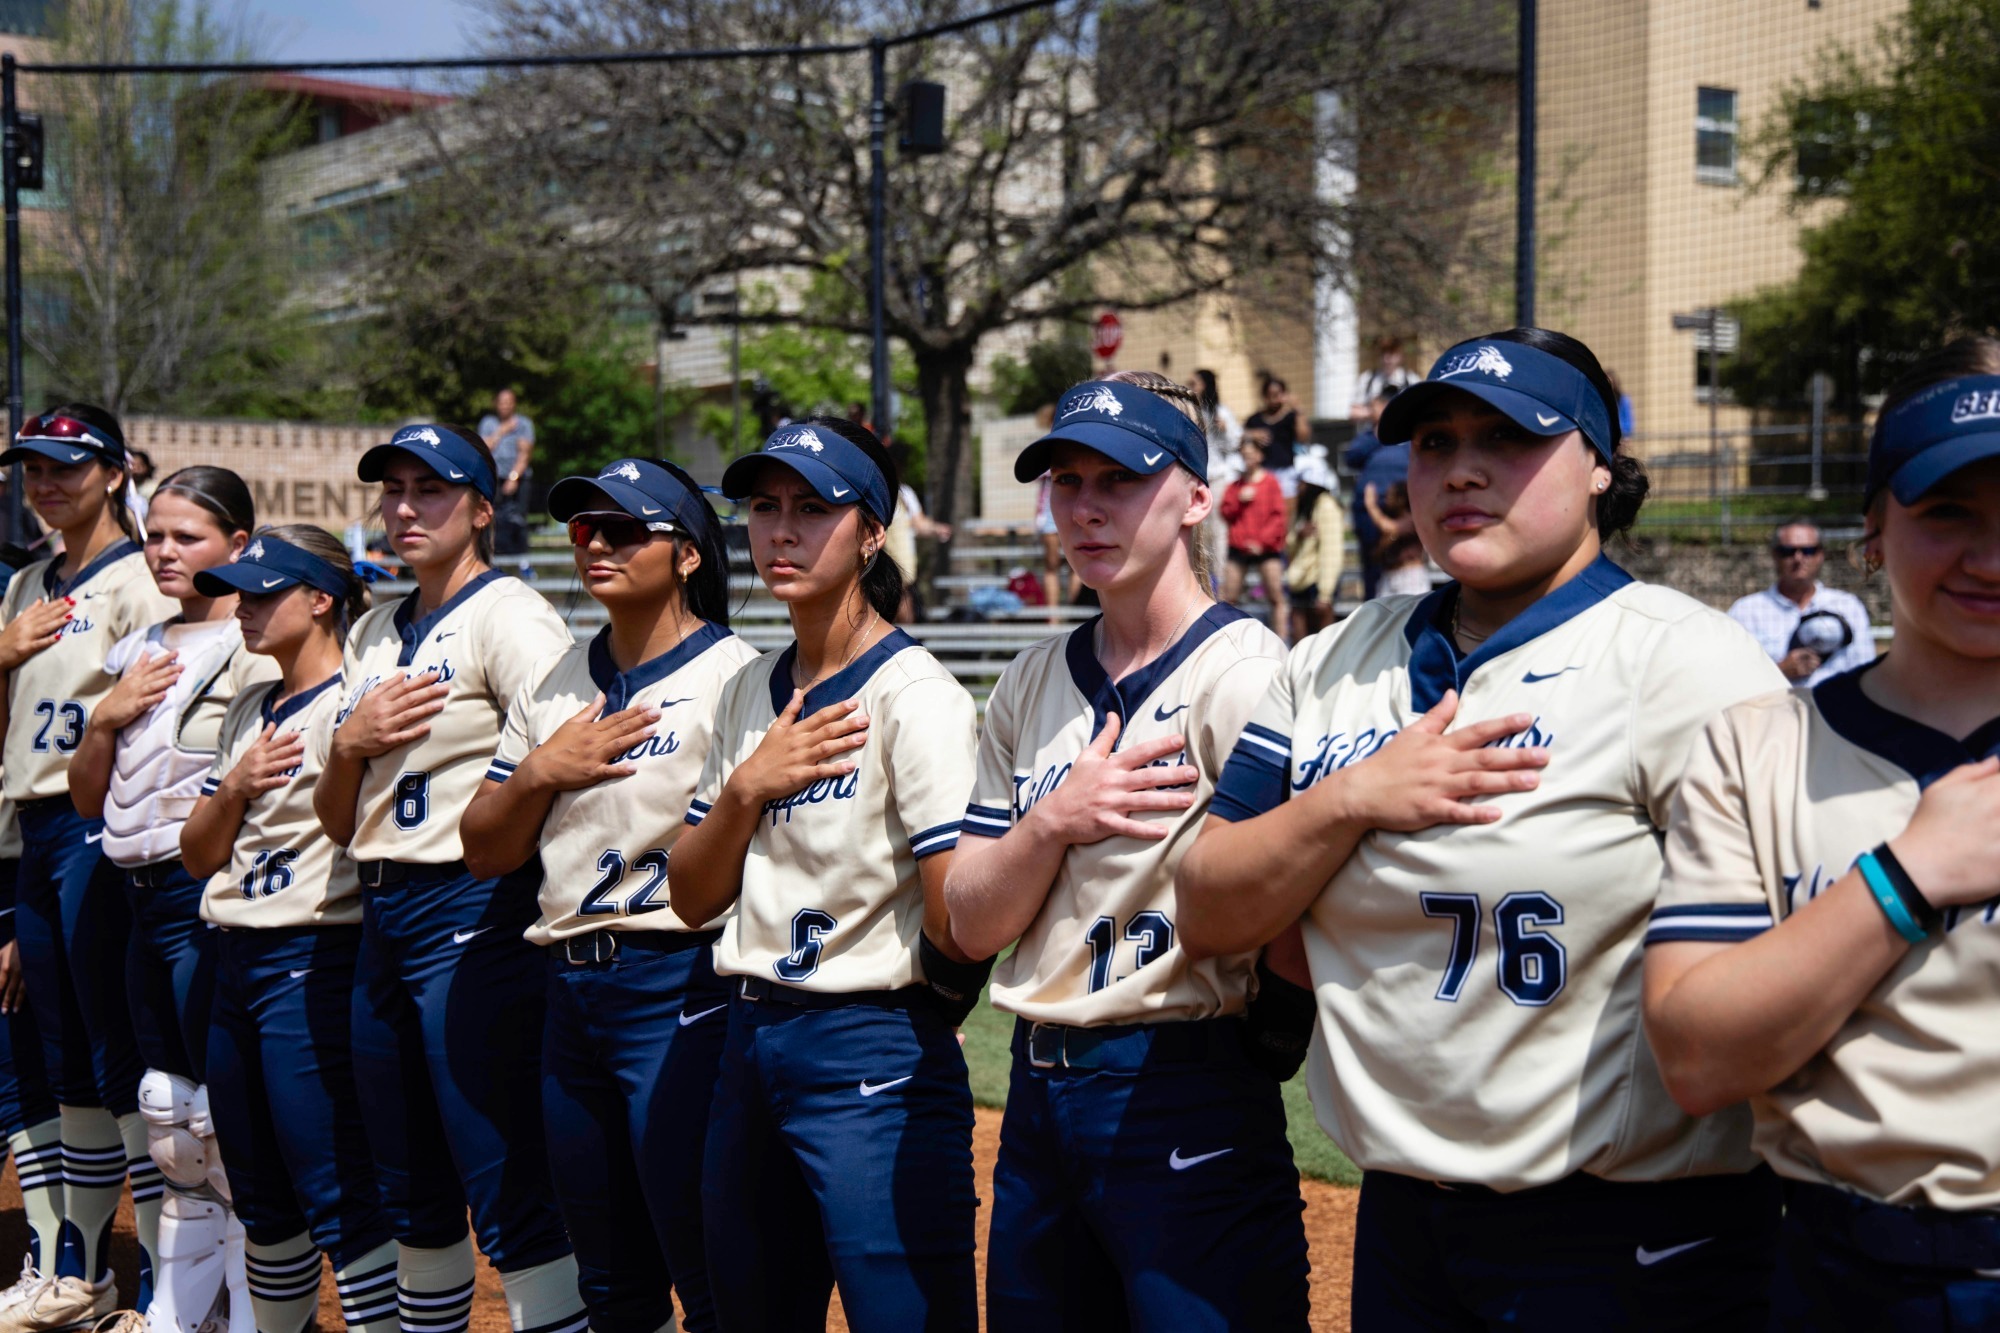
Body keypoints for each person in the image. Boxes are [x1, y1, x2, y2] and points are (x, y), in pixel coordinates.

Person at [1176, 328, 1791, 1330]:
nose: (1460, 468)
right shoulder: (1331, 660)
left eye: (1507, 438)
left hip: (1634, 1232)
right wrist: (1350, 797)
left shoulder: (1686, 664)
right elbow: (1206, 905)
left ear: (1598, 464)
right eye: (1432, 442)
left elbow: (1794, 963)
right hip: (1405, 1219)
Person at [1643, 339, 2000, 1329]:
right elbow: (1696, 1060)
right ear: (1870, 534)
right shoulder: (1760, 747)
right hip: (1842, 1270)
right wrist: (1903, 878)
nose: (1989, 555)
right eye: (1947, 514)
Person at [944, 371, 1310, 1330]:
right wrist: (1053, 820)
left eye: (1120, 479)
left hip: (1182, 1082)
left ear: (1196, 496)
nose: (1087, 508)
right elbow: (972, 921)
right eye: (1067, 481)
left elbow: (1301, 899)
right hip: (1036, 1090)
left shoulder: (1246, 674)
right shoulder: (1030, 679)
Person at [671, 416, 987, 1333]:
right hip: (749, 1036)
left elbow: (956, 916)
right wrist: (746, 790)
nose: (782, 530)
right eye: (764, 507)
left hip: (871, 1044)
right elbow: (692, 897)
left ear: (873, 531)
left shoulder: (913, 692)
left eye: (814, 508)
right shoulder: (746, 689)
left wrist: (911, 1029)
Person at [461, 458, 757, 1333]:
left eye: (626, 528)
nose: (596, 543)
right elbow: (484, 848)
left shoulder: (736, 675)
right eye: (584, 528)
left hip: (682, 981)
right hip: (570, 990)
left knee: (701, 1256)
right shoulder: (556, 679)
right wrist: (539, 774)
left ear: (690, 554)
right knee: (610, 1273)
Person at [311, 423, 581, 1333]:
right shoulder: (378, 628)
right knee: (409, 1182)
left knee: (505, 1177)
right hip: (381, 910)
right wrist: (347, 743)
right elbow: (337, 815)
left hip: (476, 909)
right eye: (392, 488)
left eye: (430, 489)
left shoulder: (510, 613)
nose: (404, 507)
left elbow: (558, 759)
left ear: (480, 505)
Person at [66, 467, 273, 1333]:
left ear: (237, 544)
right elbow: (86, 797)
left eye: (187, 536)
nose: (164, 551)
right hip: (132, 893)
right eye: (155, 534)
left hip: (205, 897)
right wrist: (107, 716)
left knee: (224, 1123)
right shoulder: (141, 644)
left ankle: (258, 1309)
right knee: (165, 1112)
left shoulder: (255, 642)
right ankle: (178, 1311)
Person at [180, 526, 401, 1333]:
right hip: (233, 954)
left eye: (265, 592)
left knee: (336, 1185)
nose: (243, 607)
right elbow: (197, 853)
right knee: (261, 1195)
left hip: (315, 950)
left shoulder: (358, 698)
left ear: (321, 599)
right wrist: (234, 783)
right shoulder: (249, 705)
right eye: (240, 591)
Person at [0, 405, 176, 1333]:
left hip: (98, 828)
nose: (45, 483)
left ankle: (153, 1279)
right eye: (32, 467)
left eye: (66, 465)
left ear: (113, 472)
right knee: (66, 1058)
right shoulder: (29, 582)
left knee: (119, 1053)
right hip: (33, 827)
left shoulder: (143, 579)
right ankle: (79, 1270)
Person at [1726, 519, 1874, 686]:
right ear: (1775, 555)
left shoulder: (1847, 606)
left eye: (1808, 550)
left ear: (1821, 555)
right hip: (1772, 710)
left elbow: (1866, 673)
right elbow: (1728, 679)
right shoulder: (1746, 611)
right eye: (1788, 551)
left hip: (1834, 710)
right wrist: (1779, 671)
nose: (1798, 558)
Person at [1219, 437, 1287, 638]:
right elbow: (1225, 513)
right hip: (1239, 546)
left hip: (1266, 548)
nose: (1247, 458)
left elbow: (1279, 517)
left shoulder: (1271, 483)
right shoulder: (1235, 486)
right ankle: (1226, 638)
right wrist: (1238, 501)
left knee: (1276, 596)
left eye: (1251, 454)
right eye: (1244, 455)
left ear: (1259, 455)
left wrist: (1262, 542)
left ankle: (1283, 640)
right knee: (1228, 597)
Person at [1347, 391, 1406, 599]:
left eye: (1374, 407)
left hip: (1400, 512)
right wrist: (1379, 435)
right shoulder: (1369, 436)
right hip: (1366, 512)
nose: (1369, 412)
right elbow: (1351, 457)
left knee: (1400, 565)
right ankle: (1374, 616)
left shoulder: (1408, 430)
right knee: (1372, 569)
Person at [478, 391, 536, 579]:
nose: (505, 406)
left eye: (509, 402)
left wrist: (514, 477)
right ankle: (490, 560)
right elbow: (484, 447)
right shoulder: (488, 423)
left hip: (517, 478)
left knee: (518, 520)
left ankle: (524, 564)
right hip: (494, 477)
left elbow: (524, 453)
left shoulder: (524, 424)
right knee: (490, 518)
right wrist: (502, 431)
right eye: (502, 402)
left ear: (514, 404)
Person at [1284, 457, 1343, 640]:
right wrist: (1299, 534)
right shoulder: (1305, 508)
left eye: (1301, 482)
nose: (1297, 487)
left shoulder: (1326, 506)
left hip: (1319, 581)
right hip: (1301, 578)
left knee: (1323, 641)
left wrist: (1325, 593)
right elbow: (1290, 544)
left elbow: (1331, 551)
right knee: (1300, 637)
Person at [1242, 374, 1310, 498]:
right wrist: (1252, 435)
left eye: (1278, 394)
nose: (1274, 399)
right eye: (1270, 395)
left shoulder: (1290, 417)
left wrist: (1299, 410)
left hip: (1285, 472)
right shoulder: (1255, 420)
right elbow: (1240, 438)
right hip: (1262, 472)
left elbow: (1303, 438)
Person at [1363, 479, 1431, 598]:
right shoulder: (1392, 519)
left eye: (1391, 496)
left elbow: (1390, 528)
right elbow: (1378, 553)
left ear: (1401, 499)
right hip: (1389, 577)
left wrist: (1371, 506)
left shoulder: (1413, 519)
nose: (1386, 499)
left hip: (1410, 578)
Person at [1350, 335, 1417, 423]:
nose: (1387, 358)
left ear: (1400, 356)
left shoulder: (1411, 380)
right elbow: (1353, 413)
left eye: (1392, 353)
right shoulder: (1367, 379)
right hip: (1371, 434)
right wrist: (1374, 412)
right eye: (1384, 353)